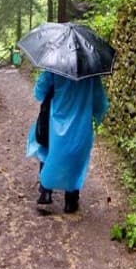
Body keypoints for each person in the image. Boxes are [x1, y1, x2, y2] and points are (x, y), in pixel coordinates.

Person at [25, 70, 109, 213]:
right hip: (81, 125)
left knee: (48, 150)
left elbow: (39, 91)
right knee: (76, 159)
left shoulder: (55, 68)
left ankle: (45, 191)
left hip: (55, 121)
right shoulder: (90, 74)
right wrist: (96, 115)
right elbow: (100, 102)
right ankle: (71, 200)